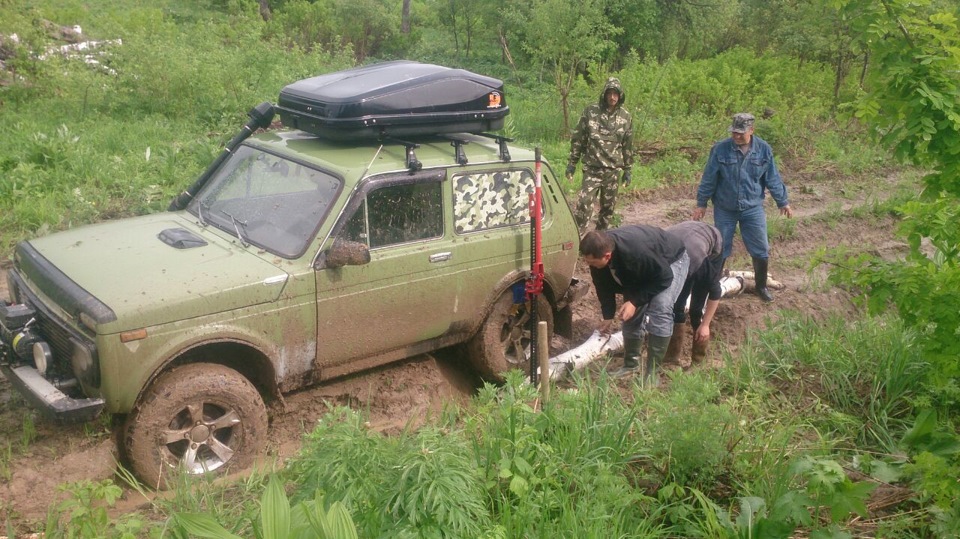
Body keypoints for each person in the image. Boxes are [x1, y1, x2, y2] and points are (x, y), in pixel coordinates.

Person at [693, 112, 793, 302]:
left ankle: (761, 286)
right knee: (720, 247)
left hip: (752, 207)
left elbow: (772, 178)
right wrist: (701, 203)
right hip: (725, 207)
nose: (736, 136)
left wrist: (783, 201)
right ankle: (713, 286)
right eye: (734, 132)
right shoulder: (720, 149)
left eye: (741, 133)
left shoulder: (764, 150)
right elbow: (709, 178)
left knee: (761, 248)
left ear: (751, 130)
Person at [580, 225, 689, 385]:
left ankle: (652, 373)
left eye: (594, 263)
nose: (591, 266)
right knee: (629, 311)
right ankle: (631, 365)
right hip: (645, 268)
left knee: (661, 307)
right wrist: (608, 316)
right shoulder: (599, 251)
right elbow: (602, 285)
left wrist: (635, 301)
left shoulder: (635, 254)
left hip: (670, 262)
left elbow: (664, 277)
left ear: (607, 256)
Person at [566, 77, 634, 234]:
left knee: (607, 209)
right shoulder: (591, 112)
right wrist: (572, 163)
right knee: (584, 204)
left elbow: (627, 145)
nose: (612, 97)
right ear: (604, 94)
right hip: (592, 169)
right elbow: (579, 138)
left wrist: (628, 170)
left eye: (615, 94)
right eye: (609, 93)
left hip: (612, 171)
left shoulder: (626, 117)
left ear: (620, 95)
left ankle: (599, 241)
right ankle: (578, 239)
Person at [664, 221, 724, 367]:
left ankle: (698, 363)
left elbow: (715, 292)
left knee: (696, 310)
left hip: (709, 245)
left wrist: (705, 324)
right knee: (676, 306)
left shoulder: (701, 264)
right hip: (680, 236)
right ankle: (671, 359)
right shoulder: (660, 258)